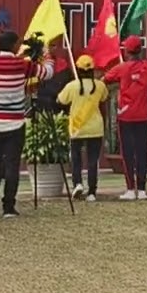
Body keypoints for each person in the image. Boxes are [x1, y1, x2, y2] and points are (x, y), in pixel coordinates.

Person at [0, 31, 55, 218]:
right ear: (14, 45)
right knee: (12, 165)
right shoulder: (22, 64)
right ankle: (8, 207)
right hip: (14, 122)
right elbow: (47, 73)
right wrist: (46, 54)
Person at [104, 36, 147, 200]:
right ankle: (141, 189)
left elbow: (105, 79)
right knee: (142, 152)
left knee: (127, 154)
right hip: (143, 116)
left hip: (125, 116)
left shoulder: (121, 68)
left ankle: (130, 189)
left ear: (126, 52)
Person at [56, 54, 108, 202]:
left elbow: (60, 99)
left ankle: (77, 183)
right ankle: (92, 192)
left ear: (77, 69)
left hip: (77, 128)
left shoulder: (72, 86)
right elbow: (104, 97)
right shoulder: (99, 85)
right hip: (95, 128)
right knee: (93, 161)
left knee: (76, 158)